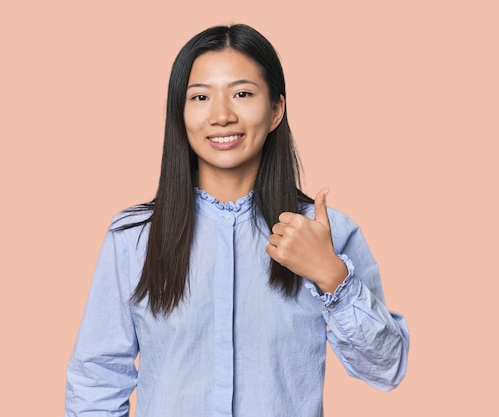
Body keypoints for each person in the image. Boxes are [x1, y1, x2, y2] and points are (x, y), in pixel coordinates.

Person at [65, 23, 409, 417]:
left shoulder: (324, 234)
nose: (222, 115)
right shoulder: (133, 239)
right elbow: (96, 382)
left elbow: (386, 369)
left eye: (243, 94)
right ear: (181, 113)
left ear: (276, 109)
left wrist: (333, 277)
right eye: (200, 97)